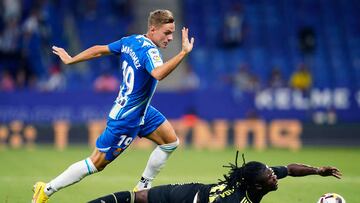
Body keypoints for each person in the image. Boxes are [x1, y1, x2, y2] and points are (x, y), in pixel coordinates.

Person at [32, 9, 194, 203]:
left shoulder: (131, 41)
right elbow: (158, 73)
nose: (170, 38)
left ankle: (143, 187)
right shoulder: (150, 51)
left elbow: (100, 49)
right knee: (96, 163)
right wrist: (183, 53)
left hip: (141, 111)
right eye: (167, 32)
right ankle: (46, 190)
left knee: (170, 142)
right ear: (152, 29)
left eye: (173, 33)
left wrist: (72, 59)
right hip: (127, 118)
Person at [88, 152, 342, 203]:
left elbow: (290, 168)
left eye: (271, 174)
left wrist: (318, 170)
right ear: (256, 185)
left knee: (140, 199)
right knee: (138, 198)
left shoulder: (258, 180)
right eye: (270, 176)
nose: (274, 177)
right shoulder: (237, 200)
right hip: (189, 197)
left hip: (200, 191)